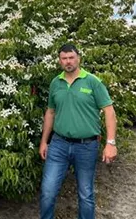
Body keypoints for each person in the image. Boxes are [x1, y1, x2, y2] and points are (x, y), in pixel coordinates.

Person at [39, 43, 117, 219]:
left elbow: (109, 111)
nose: (68, 61)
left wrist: (110, 143)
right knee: (48, 191)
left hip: (86, 146)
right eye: (64, 58)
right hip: (58, 144)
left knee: (86, 193)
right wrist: (44, 141)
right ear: (60, 61)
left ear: (78, 58)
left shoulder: (92, 81)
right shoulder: (55, 83)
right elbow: (50, 112)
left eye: (71, 57)